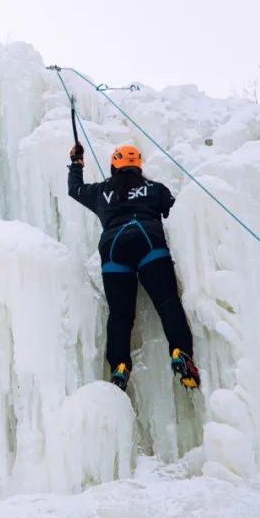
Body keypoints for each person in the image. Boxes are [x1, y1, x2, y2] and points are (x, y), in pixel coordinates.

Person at [67, 143, 199, 391]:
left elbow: (74, 189)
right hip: (148, 240)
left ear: (114, 165)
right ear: (138, 166)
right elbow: (176, 211)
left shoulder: (101, 191)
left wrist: (76, 164)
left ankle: (119, 366)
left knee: (120, 315)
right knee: (167, 301)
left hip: (113, 248)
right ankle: (180, 352)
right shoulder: (153, 188)